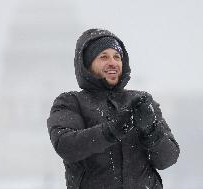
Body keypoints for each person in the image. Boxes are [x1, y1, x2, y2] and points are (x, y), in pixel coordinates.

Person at [47, 28, 180, 189]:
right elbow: (66, 146)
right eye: (103, 57)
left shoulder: (142, 102)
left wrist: (151, 131)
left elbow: (168, 159)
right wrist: (112, 130)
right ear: (87, 65)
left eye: (117, 57)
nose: (113, 62)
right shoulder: (70, 102)